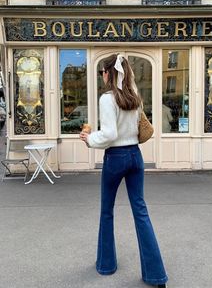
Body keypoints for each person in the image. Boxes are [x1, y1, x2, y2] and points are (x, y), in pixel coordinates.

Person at [80, 54, 168, 287]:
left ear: (109, 73)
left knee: (107, 211)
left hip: (116, 157)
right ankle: (157, 276)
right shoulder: (134, 97)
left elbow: (109, 135)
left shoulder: (107, 99)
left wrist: (89, 138)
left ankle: (106, 265)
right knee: (141, 211)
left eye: (102, 72)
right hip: (135, 157)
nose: (102, 76)